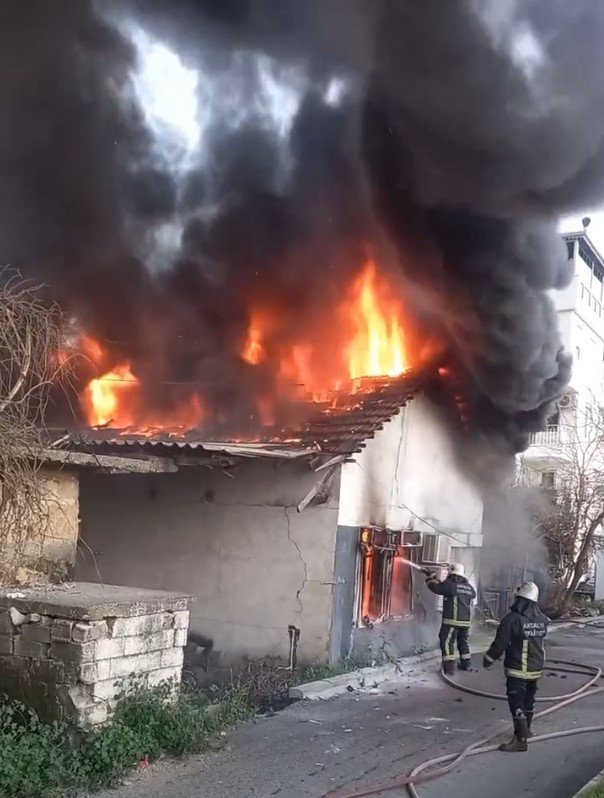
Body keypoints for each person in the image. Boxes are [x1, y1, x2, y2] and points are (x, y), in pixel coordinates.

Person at [483, 581, 548, 753]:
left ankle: (520, 740)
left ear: (520, 599)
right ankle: (527, 730)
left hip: (518, 669)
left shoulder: (512, 620)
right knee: (529, 699)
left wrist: (489, 659)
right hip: (536, 669)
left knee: (516, 703)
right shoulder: (542, 619)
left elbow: (500, 644)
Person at [425, 563, 476, 674]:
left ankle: (449, 668)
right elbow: (447, 588)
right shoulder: (469, 587)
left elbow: (437, 588)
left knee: (447, 642)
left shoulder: (450, 585)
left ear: (452, 573)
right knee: (463, 642)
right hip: (465, 622)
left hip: (452, 621)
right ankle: (466, 665)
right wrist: (435, 578)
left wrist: (429, 579)